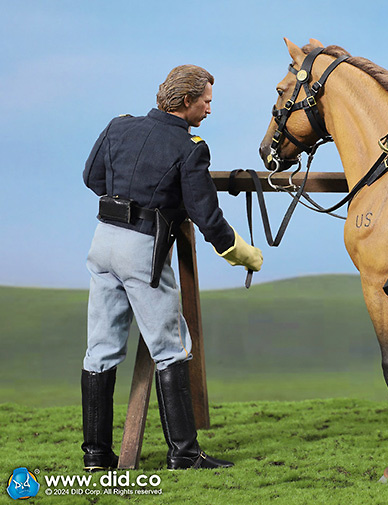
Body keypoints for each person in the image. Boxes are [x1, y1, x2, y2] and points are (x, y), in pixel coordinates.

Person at [81, 64, 262, 471]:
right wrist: (239, 252)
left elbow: (92, 178)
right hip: (142, 249)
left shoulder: (118, 127)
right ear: (186, 102)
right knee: (171, 348)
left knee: (101, 349)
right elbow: (205, 214)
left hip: (103, 239)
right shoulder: (190, 148)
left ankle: (95, 455)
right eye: (206, 101)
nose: (210, 110)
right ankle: (184, 453)